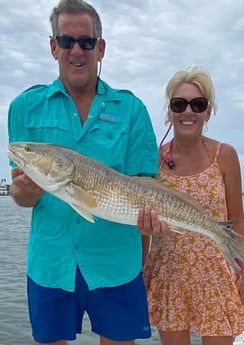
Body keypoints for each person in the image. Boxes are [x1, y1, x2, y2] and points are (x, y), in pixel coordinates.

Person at [7, 1, 158, 344]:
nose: (77, 50)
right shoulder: (24, 107)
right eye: (66, 41)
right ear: (53, 46)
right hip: (51, 263)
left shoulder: (132, 110)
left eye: (86, 42)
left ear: (100, 48)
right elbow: (19, 192)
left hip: (118, 262)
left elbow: (147, 186)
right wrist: (27, 190)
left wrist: (145, 256)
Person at [137, 66, 244, 345]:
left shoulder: (225, 155)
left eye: (197, 104)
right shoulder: (153, 161)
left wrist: (243, 271)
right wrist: (140, 269)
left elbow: (237, 220)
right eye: (179, 104)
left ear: (207, 112)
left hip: (215, 274)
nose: (188, 111)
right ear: (169, 111)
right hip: (169, 271)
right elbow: (143, 226)